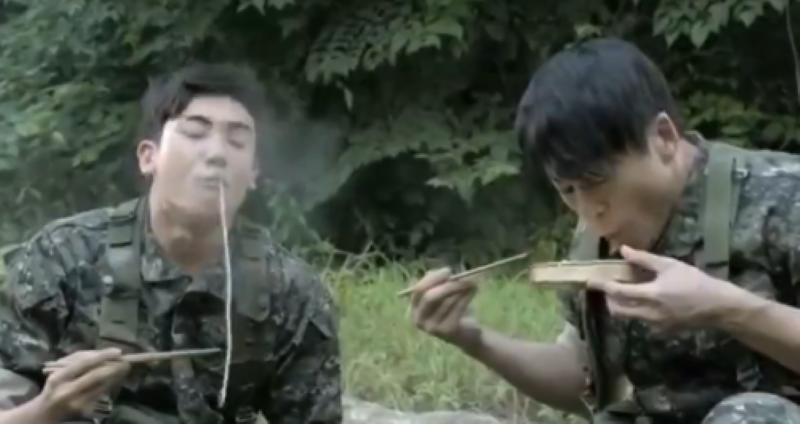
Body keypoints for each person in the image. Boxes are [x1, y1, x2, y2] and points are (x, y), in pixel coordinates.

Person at [405, 37, 800, 424]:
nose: (588, 209)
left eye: (596, 181)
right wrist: (474, 339)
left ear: (663, 138)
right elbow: (582, 377)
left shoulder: (781, 196)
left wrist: (727, 309)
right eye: (568, 189)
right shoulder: (595, 229)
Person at [0, 63, 342, 423]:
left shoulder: (290, 293)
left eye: (237, 141)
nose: (217, 154)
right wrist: (47, 409)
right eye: (195, 133)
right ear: (149, 157)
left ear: (253, 174)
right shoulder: (63, 257)